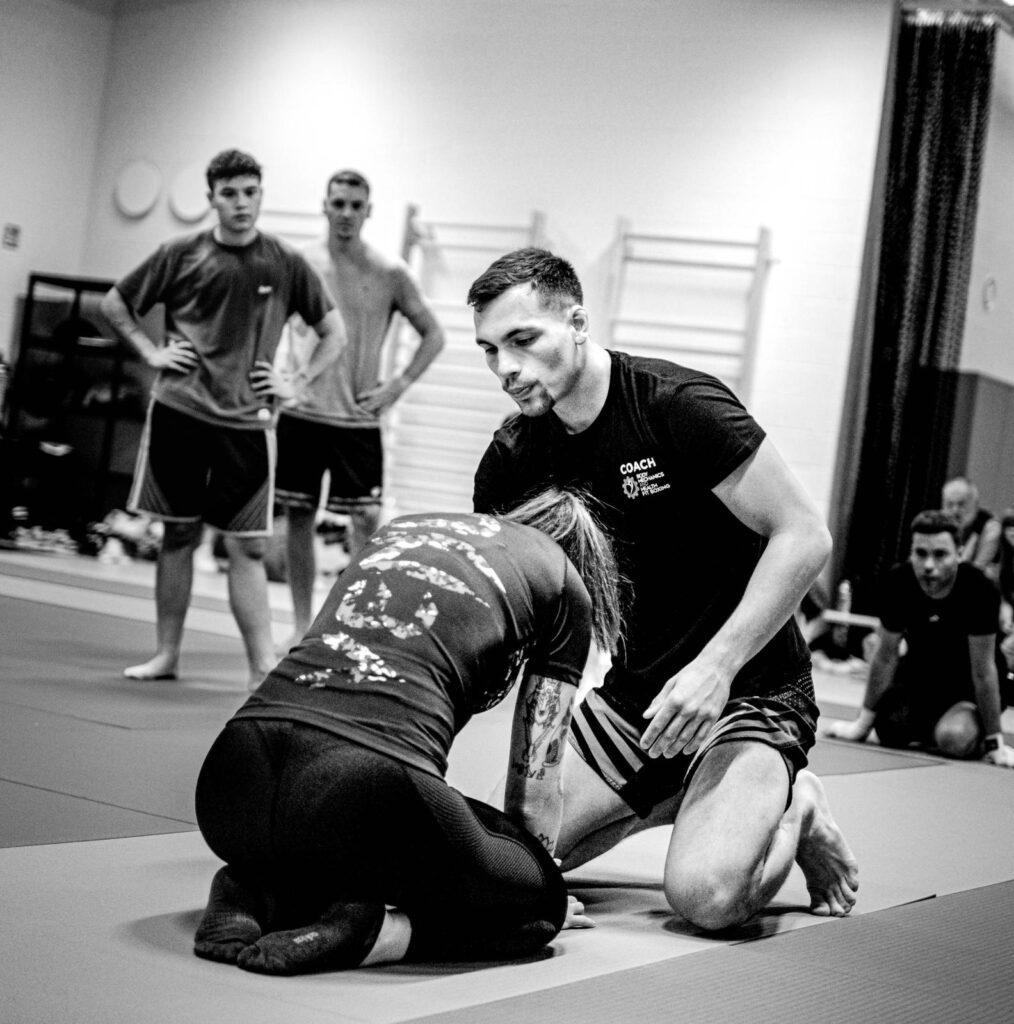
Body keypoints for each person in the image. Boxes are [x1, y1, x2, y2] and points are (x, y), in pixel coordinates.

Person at [468, 248, 858, 932]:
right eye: (491, 349)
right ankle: (691, 796)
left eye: (523, 339)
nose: (507, 367)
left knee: (707, 898)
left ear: (578, 323)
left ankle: (796, 807)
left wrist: (716, 668)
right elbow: (523, 620)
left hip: (750, 690)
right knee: (505, 866)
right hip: (636, 702)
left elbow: (804, 536)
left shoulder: (676, 406)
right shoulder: (513, 460)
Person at [192, 487, 622, 974]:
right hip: (358, 788)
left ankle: (254, 890)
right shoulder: (563, 582)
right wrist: (529, 884)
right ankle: (377, 934)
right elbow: (533, 785)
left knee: (336, 837)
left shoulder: (403, 532)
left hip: (229, 790)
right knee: (538, 910)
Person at [100, 149, 347, 689]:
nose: (241, 203)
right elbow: (115, 304)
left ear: (261, 195)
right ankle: (166, 654)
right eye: (229, 193)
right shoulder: (179, 253)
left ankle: (260, 668)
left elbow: (334, 332)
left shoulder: (283, 261)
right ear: (211, 198)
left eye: (250, 192)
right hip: (180, 412)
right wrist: (150, 352)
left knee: (247, 547)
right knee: (177, 534)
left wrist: (296, 382)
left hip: (248, 424)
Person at [276, 169, 445, 647]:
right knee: (298, 517)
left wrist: (398, 386)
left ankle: (351, 625)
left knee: (367, 522)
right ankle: (301, 625)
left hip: (357, 417)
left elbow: (433, 334)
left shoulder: (389, 271)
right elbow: (270, 324)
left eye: (355, 205)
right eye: (339, 203)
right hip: (302, 413)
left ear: (368, 211)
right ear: (324, 206)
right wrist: (277, 381)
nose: (346, 213)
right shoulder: (300, 263)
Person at [826, 510, 1014, 767]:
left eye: (940, 554)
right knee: (890, 728)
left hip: (969, 688)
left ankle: (969, 732)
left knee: (953, 738)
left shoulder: (979, 589)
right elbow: (886, 656)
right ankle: (933, 728)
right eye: (921, 553)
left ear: (960, 553)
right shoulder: (899, 581)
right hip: (923, 678)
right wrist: (862, 724)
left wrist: (995, 743)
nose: (928, 565)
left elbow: (984, 671)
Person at [942, 476, 1000, 578]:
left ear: (975, 504)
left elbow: (977, 568)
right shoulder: (940, 523)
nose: (955, 510)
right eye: (950, 504)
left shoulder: (990, 526)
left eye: (961, 504)